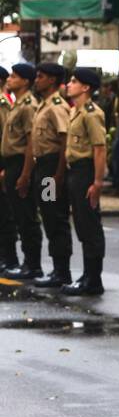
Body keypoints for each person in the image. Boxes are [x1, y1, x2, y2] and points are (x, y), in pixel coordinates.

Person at [60, 67, 107, 295]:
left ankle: (93, 279)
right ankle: (88, 275)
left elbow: (99, 149)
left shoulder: (91, 113)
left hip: (86, 172)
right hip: (75, 172)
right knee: (81, 223)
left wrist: (97, 182)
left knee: (90, 225)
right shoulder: (75, 111)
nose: (69, 84)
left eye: (74, 81)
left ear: (86, 87)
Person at [27, 62, 73, 288]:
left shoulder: (56, 106)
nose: (37, 79)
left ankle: (61, 271)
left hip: (52, 166)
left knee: (55, 217)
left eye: (41, 76)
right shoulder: (44, 105)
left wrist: (58, 174)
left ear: (52, 80)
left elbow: (65, 140)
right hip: (43, 166)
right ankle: (57, 269)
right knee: (48, 214)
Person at [1, 63, 42, 278]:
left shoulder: (28, 106)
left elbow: (30, 143)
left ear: (26, 81)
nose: (10, 79)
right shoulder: (18, 104)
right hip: (11, 164)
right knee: (17, 214)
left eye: (15, 76)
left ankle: (32, 264)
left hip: (22, 164)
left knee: (27, 216)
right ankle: (25, 262)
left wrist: (25, 175)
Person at [0, 64, 15, 271]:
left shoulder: (3, 104)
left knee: (5, 211)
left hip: (6, 162)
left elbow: (5, 136)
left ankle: (9, 256)